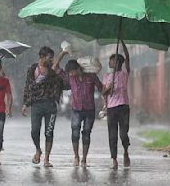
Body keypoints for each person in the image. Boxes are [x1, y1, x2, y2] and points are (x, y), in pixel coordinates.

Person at [52, 51, 103, 167]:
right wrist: (63, 53)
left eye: (71, 72)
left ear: (77, 69)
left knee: (86, 133)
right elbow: (55, 67)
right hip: (75, 109)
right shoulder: (70, 78)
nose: (70, 74)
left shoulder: (91, 76)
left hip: (89, 110)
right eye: (69, 73)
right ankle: (76, 156)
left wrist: (108, 89)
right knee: (75, 132)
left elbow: (101, 88)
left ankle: (84, 158)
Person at [21, 46, 68, 167]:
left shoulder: (53, 70)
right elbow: (28, 86)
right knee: (34, 131)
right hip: (36, 105)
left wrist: (62, 56)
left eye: (52, 58)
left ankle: (47, 158)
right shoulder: (32, 69)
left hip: (51, 106)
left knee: (49, 131)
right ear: (42, 57)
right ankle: (38, 149)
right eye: (49, 57)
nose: (51, 59)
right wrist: (25, 104)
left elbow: (64, 81)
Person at [102, 39, 131, 170]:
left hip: (123, 107)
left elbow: (128, 57)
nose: (110, 62)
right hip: (111, 108)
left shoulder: (125, 74)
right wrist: (109, 88)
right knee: (112, 135)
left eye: (112, 60)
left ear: (118, 62)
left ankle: (125, 151)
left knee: (123, 134)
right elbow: (103, 92)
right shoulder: (107, 76)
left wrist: (122, 42)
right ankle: (114, 159)